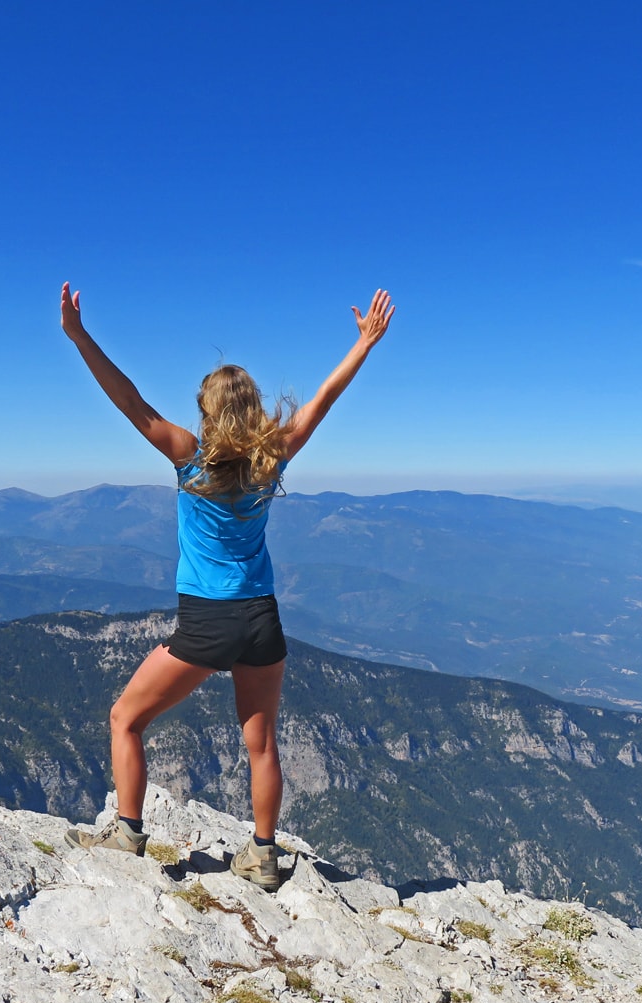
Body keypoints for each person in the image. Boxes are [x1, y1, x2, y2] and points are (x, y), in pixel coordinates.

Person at [58, 281, 395, 891]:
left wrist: (80, 337)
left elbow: (131, 402)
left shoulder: (190, 457)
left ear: (208, 410)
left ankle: (128, 831)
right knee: (261, 745)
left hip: (208, 621)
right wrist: (364, 344)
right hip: (262, 619)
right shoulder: (274, 457)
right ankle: (263, 855)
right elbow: (324, 397)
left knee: (125, 719)